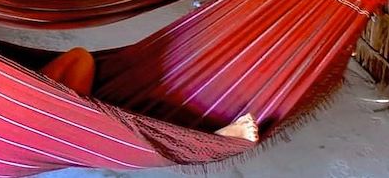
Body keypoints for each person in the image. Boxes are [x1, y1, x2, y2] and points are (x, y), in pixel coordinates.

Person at [40, 47, 258, 143]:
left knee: (79, 56)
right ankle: (208, 139)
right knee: (118, 134)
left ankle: (85, 112)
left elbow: (80, 58)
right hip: (35, 119)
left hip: (34, 101)